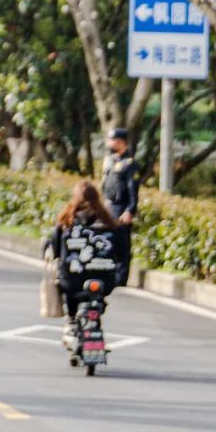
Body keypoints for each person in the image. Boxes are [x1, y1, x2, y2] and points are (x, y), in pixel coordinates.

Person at [45, 179, 121, 336]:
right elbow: (120, 252)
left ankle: (72, 320)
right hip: (105, 281)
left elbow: (56, 247)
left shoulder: (67, 221)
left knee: (67, 287)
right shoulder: (110, 223)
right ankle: (98, 307)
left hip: (73, 279)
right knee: (97, 294)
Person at [101, 126, 137, 283]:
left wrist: (130, 210)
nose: (109, 143)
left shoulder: (129, 163)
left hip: (121, 207)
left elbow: (133, 190)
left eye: (112, 140)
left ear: (121, 142)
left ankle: (121, 277)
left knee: (122, 243)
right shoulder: (111, 161)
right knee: (108, 240)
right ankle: (109, 272)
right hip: (109, 206)